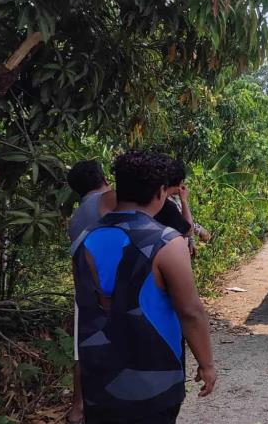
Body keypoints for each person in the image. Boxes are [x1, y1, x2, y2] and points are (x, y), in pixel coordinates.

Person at [71, 150, 216, 423]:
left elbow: (87, 301)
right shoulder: (167, 242)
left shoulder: (84, 238)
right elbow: (190, 312)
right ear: (161, 192)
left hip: (99, 379)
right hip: (154, 381)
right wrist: (206, 364)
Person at [65, 160, 117, 424]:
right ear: (104, 178)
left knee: (82, 350)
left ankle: (79, 407)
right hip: (106, 290)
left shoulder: (76, 216)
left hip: (83, 292)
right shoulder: (107, 199)